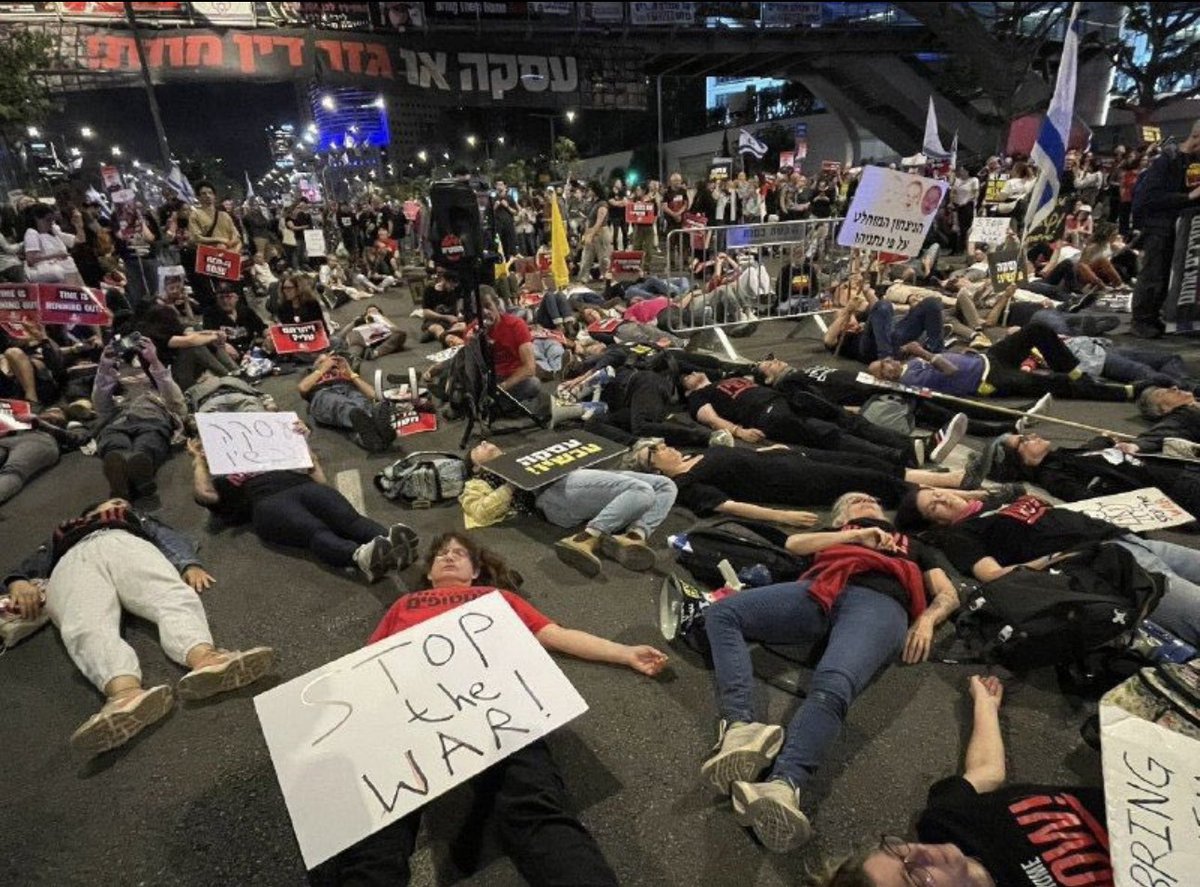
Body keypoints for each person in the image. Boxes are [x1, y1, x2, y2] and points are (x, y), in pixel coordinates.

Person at [310, 531, 665, 887]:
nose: (449, 557)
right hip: (407, 713)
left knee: (534, 806)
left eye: (459, 554)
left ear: (475, 570)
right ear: (430, 573)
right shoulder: (404, 606)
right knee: (375, 830)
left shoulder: (497, 598)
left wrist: (624, 653)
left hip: (492, 707)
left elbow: (554, 634)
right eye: (441, 554)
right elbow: (365, 665)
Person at [701, 492, 961, 852]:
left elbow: (948, 593)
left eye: (871, 499)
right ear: (842, 517)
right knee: (721, 614)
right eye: (856, 501)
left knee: (834, 683)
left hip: (881, 602)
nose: (867, 501)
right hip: (821, 587)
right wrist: (853, 537)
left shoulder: (914, 545)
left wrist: (927, 621)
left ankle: (783, 784)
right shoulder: (839, 532)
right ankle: (741, 727)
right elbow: (795, 543)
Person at [2, 498, 276, 757]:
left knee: (168, 594)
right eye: (116, 502)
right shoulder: (63, 531)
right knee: (85, 623)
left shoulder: (132, 520)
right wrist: (18, 580)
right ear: (91, 513)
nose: (123, 504)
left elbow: (166, 538)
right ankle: (124, 695)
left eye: (125, 504)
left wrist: (188, 563)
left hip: (124, 543)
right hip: (71, 561)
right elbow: (34, 561)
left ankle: (206, 658)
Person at [814, 675, 1111, 887]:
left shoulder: (946, 822)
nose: (919, 852)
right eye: (914, 878)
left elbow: (986, 771)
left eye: (900, 852)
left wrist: (985, 703)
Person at [896, 488, 1200, 645]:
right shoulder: (960, 535)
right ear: (934, 521)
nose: (942, 498)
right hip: (1110, 563)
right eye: (933, 506)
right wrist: (1058, 557)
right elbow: (993, 575)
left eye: (936, 493)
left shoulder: (993, 502)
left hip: (1128, 538)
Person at [189, 435, 417, 583]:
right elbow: (205, 495)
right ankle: (358, 558)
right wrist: (199, 462)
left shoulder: (277, 457)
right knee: (314, 531)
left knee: (349, 520)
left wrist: (303, 444)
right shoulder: (225, 478)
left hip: (304, 486)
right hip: (268, 502)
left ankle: (392, 544)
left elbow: (319, 479)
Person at [462, 440, 677, 576]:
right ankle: (587, 537)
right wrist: (512, 481)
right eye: (478, 448)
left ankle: (634, 536)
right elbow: (480, 511)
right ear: (476, 466)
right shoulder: (477, 483)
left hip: (571, 479)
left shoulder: (520, 453)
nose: (483, 441)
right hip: (551, 497)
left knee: (665, 485)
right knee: (642, 492)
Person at [637, 441, 984, 525]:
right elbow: (726, 505)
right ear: (655, 470)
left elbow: (742, 456)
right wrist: (782, 517)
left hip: (788, 459)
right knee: (870, 481)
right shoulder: (684, 481)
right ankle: (960, 498)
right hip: (790, 482)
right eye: (656, 452)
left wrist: (770, 448)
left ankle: (949, 481)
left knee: (864, 463)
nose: (664, 447)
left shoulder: (695, 454)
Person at [680, 371, 966, 467]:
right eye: (685, 378)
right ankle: (900, 456)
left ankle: (917, 445)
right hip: (767, 416)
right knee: (829, 435)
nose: (690, 375)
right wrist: (738, 432)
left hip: (783, 400)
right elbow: (709, 418)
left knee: (847, 420)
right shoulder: (698, 398)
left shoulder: (724, 377)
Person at [868, 322, 1135, 403]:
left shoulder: (908, 366)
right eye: (882, 368)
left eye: (884, 361)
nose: (887, 363)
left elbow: (955, 359)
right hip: (989, 381)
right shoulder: (910, 381)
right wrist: (922, 352)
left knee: (1037, 329)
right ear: (886, 378)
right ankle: (1123, 393)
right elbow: (950, 371)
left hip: (989, 358)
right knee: (1056, 384)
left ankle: (1077, 371)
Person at [982, 430, 1200, 516]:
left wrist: (1104, 440)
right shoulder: (1053, 475)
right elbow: (1090, 501)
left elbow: (1088, 453)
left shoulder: (1059, 457)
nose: (1031, 435)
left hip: (1176, 471)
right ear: (1023, 462)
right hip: (1179, 489)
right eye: (1023, 441)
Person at [91, 336, 185, 501]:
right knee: (114, 442)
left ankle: (138, 469)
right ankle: (121, 471)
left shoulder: (160, 391)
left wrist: (154, 361)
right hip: (119, 419)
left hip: (152, 418)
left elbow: (177, 404)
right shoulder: (118, 386)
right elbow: (101, 406)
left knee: (149, 441)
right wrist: (104, 368)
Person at [1130, 119, 1200, 338]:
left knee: (1173, 275)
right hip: (1160, 226)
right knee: (1154, 273)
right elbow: (1148, 199)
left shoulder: (1194, 162)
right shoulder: (1167, 160)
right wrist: (1188, 196)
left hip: (1184, 230)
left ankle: (1156, 316)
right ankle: (1142, 319)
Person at [297, 352, 396, 454]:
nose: (329, 364)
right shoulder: (310, 374)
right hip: (322, 393)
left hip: (347, 389)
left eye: (331, 361)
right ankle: (378, 428)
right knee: (340, 404)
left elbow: (373, 394)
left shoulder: (344, 375)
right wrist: (322, 369)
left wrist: (350, 373)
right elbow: (302, 388)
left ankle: (375, 438)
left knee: (361, 402)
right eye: (322, 361)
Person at [23, 204, 83, 285]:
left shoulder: (54, 231)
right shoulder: (32, 233)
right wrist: (56, 255)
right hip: (57, 275)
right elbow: (31, 259)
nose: (51, 223)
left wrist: (79, 225)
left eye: (52, 220)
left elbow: (80, 239)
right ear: (37, 219)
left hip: (71, 270)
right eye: (48, 220)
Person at [1134, 385, 1200, 454]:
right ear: (1164, 409)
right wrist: (1136, 445)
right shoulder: (1183, 416)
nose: (1174, 388)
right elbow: (1162, 432)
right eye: (1162, 394)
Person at [577, 182, 612, 283]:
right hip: (591, 231)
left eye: (590, 190)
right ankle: (583, 277)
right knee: (586, 255)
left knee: (603, 257)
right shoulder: (593, 202)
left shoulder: (602, 204)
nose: (589, 192)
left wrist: (591, 234)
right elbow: (589, 219)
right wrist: (587, 233)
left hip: (601, 232)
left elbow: (599, 222)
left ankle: (606, 276)